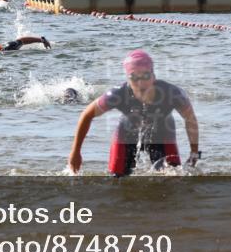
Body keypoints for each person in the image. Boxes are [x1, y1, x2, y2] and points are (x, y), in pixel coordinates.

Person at [68, 50, 200, 177]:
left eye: (145, 76)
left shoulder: (173, 94)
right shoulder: (118, 94)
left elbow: (190, 119)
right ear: (128, 79)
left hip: (163, 134)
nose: (141, 83)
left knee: (172, 180)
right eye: (134, 77)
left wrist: (194, 152)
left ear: (153, 76)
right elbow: (86, 115)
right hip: (126, 135)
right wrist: (75, 152)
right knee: (117, 180)